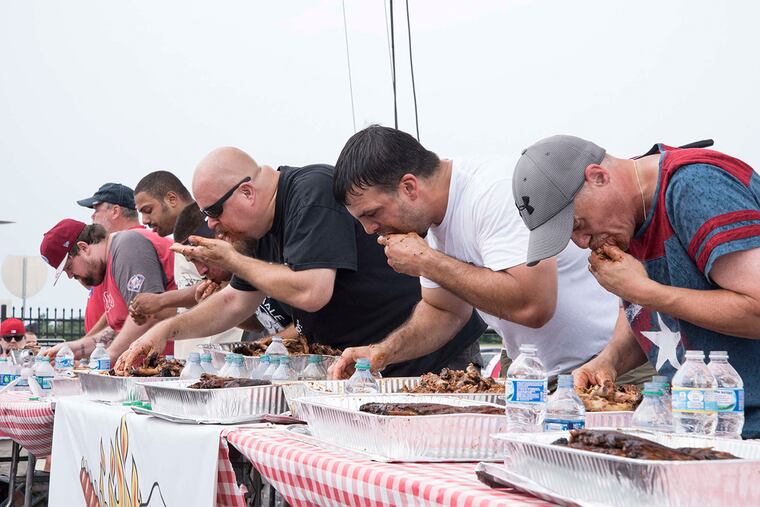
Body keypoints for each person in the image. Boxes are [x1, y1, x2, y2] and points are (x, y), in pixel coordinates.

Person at [116, 147, 486, 376]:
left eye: (214, 211)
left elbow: (313, 292)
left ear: (247, 192)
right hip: (375, 361)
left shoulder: (311, 192)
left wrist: (234, 261)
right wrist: (163, 332)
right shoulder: (257, 232)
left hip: (435, 354)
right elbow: (232, 301)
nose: (211, 223)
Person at [511, 135, 760, 438]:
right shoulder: (627, 218)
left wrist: (645, 291)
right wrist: (608, 361)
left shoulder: (694, 186)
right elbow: (646, 319)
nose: (581, 242)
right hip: (693, 427)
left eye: (577, 224)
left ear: (599, 177)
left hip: (747, 434)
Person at [328, 125, 621, 383]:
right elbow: (445, 311)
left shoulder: (493, 192)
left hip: (608, 367)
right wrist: (383, 352)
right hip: (532, 374)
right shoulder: (430, 222)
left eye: (372, 214)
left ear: (409, 187)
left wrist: (428, 262)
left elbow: (534, 306)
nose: (369, 230)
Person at [40, 219, 176, 362]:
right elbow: (119, 330)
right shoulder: (108, 264)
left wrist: (108, 357)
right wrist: (72, 348)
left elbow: (148, 313)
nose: (70, 276)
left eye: (69, 267)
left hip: (174, 363)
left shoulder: (126, 247)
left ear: (84, 248)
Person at [133, 171, 213, 358]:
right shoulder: (178, 240)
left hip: (219, 355)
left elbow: (220, 289)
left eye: (147, 210)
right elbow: (190, 299)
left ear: (171, 199)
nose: (144, 221)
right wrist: (152, 310)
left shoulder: (208, 228)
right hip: (192, 356)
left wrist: (160, 300)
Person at [76, 183, 143, 338]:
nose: (92, 217)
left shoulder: (131, 245)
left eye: (96, 209)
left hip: (119, 352)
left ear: (115, 211)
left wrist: (86, 345)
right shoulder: (113, 248)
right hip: (108, 351)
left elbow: (126, 313)